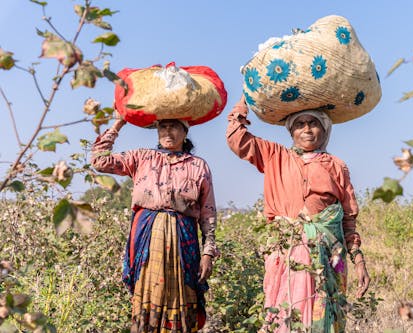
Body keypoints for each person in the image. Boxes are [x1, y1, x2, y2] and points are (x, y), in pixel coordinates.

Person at [226, 95, 370, 332]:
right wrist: (245, 101)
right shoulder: (275, 156)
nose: (307, 130)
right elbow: (237, 139)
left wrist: (359, 261)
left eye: (313, 123)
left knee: (322, 315)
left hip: (327, 257)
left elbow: (347, 219)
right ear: (291, 131)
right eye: (300, 124)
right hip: (285, 250)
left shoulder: (336, 166)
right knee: (285, 312)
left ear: (324, 129)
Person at [91, 116, 218, 333]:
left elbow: (208, 213)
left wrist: (208, 253)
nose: (168, 132)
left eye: (174, 127)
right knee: (147, 292)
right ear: (157, 131)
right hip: (147, 235)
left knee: (184, 293)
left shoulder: (198, 166)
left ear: (185, 132)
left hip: (183, 238)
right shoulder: (142, 157)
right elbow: (99, 161)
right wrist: (118, 123)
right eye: (163, 127)